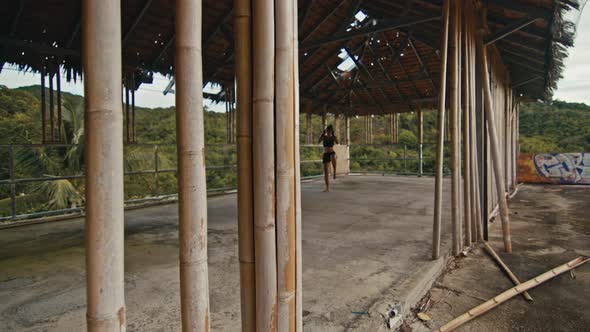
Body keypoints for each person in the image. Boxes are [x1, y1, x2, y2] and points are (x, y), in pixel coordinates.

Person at [318, 124, 338, 192]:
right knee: (326, 171)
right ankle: (327, 187)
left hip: (332, 152)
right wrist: (322, 134)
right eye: (327, 130)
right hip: (326, 153)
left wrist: (334, 135)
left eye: (330, 130)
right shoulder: (324, 137)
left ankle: (334, 172)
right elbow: (318, 141)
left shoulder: (333, 137)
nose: (328, 131)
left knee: (333, 156)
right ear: (326, 130)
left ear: (331, 131)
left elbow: (337, 142)